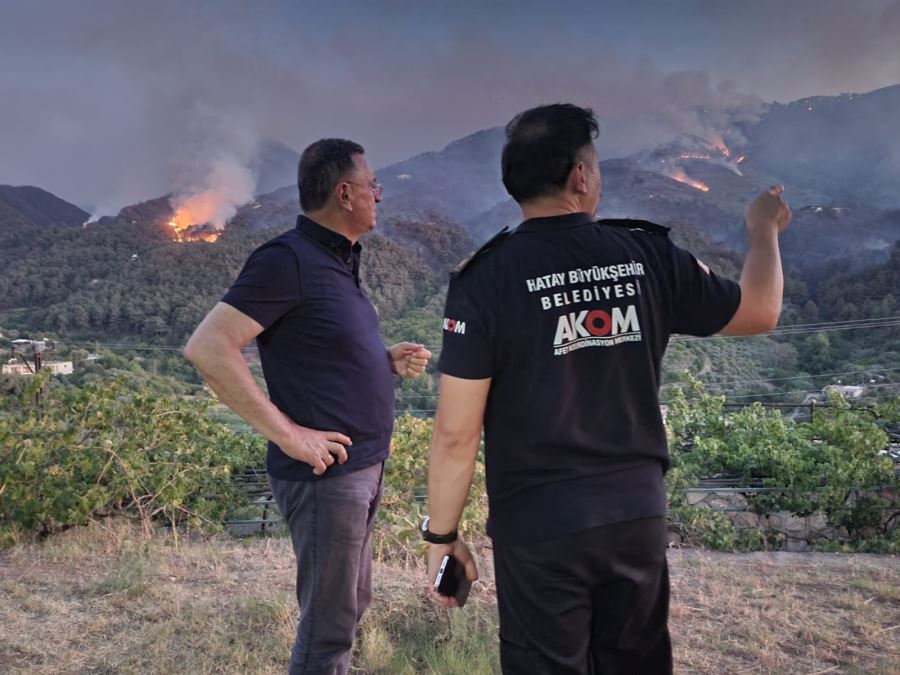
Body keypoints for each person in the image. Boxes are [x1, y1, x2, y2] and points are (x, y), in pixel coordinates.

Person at [422, 103, 791, 674]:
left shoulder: (483, 280)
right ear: (580, 177)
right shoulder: (647, 256)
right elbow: (761, 310)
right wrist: (762, 228)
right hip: (634, 516)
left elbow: (454, 433)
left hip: (538, 527)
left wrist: (441, 536)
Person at [185, 138, 431, 675]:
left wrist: (383, 360)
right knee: (327, 629)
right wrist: (290, 435)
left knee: (347, 609)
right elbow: (207, 348)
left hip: (361, 466)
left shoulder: (335, 260)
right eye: (373, 187)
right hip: (327, 479)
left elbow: (318, 342)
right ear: (345, 193)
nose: (379, 197)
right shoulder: (287, 260)